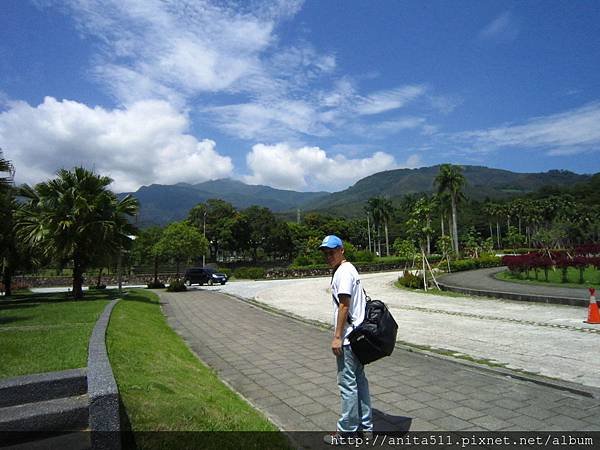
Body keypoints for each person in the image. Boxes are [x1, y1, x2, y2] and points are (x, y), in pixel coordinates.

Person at [319, 235, 372, 442]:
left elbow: (344, 305)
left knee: (348, 385)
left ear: (342, 250)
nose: (328, 256)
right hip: (359, 337)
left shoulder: (343, 272)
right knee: (360, 382)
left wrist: (337, 337)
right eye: (326, 253)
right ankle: (365, 428)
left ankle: (346, 432)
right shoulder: (351, 269)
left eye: (332, 251)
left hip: (349, 339)